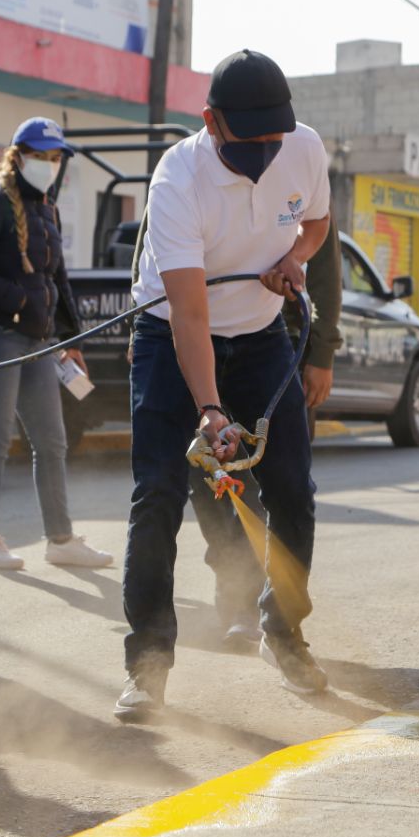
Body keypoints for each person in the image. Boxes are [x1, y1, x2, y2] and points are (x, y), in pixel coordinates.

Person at [115, 49, 332, 721]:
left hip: (263, 335)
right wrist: (209, 408)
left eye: (275, 138)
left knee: (293, 488)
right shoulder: (179, 178)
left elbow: (317, 223)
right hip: (171, 338)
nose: (266, 153)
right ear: (211, 121)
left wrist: (293, 259)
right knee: (157, 494)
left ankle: (283, 632)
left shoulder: (303, 149)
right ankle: (147, 664)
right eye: (250, 141)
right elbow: (190, 311)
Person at [0, 117, 112, 571]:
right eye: (40, 156)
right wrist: (17, 299)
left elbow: (56, 278)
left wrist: (71, 337)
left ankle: (60, 539)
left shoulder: (46, 208)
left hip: (39, 341)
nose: (48, 165)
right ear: (17, 155)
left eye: (56, 158)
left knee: (52, 441)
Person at [184, 217, 342, 649]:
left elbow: (326, 269)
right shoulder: (191, 169)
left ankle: (267, 614)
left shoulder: (299, 172)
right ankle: (233, 589)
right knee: (211, 478)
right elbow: (152, 249)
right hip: (201, 342)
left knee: (276, 486)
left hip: (280, 347)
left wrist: (323, 351)